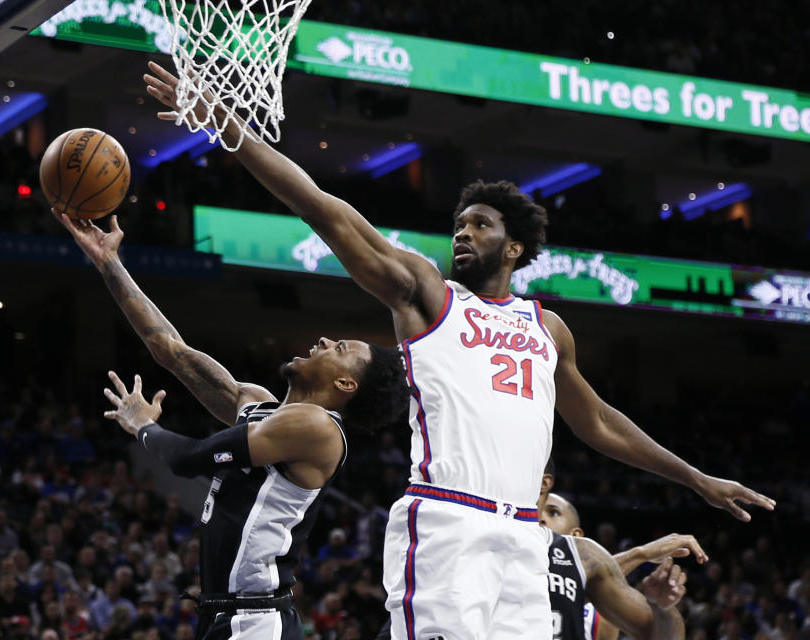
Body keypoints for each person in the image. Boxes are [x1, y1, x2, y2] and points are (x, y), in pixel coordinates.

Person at [142, 60, 776, 639]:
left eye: (481, 224)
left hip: (526, 539)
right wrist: (222, 123)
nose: (463, 233)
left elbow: (600, 423)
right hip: (449, 523)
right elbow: (325, 210)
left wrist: (695, 478)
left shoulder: (547, 328)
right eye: (460, 224)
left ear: (516, 248)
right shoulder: (428, 297)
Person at [54, 210, 408, 640]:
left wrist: (144, 426)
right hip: (222, 614)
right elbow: (170, 350)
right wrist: (108, 263)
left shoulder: (319, 429)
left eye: (341, 347)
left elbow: (187, 458)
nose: (325, 340)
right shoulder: (258, 403)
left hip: (255, 620)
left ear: (346, 383)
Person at [538, 461, 707, 640]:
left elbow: (660, 633)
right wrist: (641, 553)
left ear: (577, 536)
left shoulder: (599, 604)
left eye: (554, 513)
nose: (541, 517)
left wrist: (662, 609)